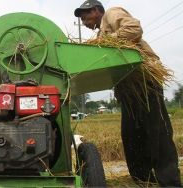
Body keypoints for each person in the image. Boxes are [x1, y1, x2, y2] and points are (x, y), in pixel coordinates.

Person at [74, 0, 181, 187]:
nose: (84, 22)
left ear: (96, 11)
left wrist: (106, 41)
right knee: (131, 135)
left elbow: (134, 29)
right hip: (128, 90)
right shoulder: (100, 34)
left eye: (85, 17)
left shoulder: (112, 14)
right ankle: (142, 179)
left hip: (144, 83)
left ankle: (170, 181)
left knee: (157, 132)